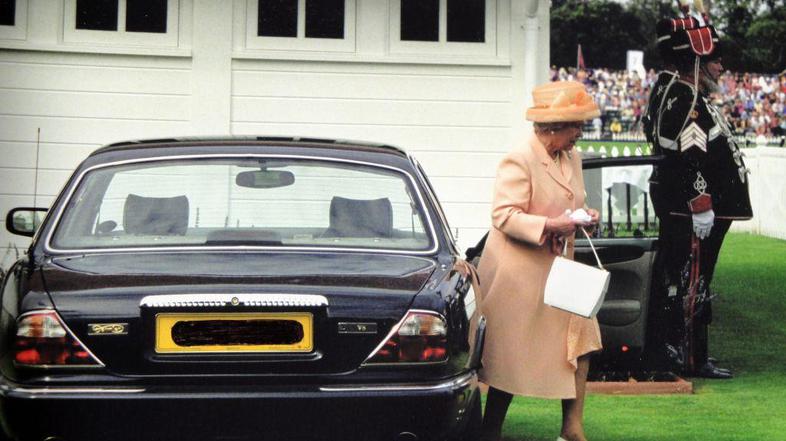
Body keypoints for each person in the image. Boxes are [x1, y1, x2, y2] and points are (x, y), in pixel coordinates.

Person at [476, 81, 602, 441]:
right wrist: (550, 224)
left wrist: (585, 217)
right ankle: (490, 430)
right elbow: (504, 215)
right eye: (574, 125)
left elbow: (573, 202)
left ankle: (572, 428)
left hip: (563, 275)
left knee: (582, 344)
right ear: (551, 126)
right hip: (521, 275)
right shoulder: (520, 158)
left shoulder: (572, 157)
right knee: (512, 358)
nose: (579, 132)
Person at [643, 18, 753, 378]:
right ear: (695, 61)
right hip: (693, 210)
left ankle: (687, 354)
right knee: (691, 280)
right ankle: (686, 356)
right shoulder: (684, 95)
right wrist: (700, 202)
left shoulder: (675, 90)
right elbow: (686, 155)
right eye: (715, 58)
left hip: (691, 208)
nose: (721, 66)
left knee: (693, 279)